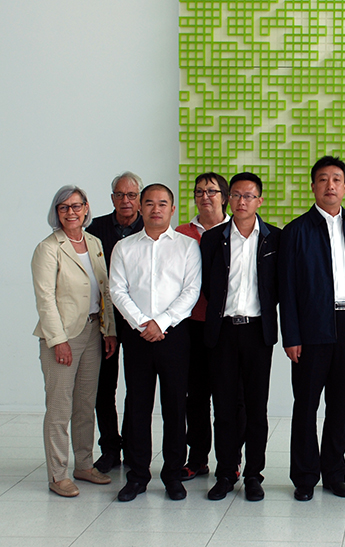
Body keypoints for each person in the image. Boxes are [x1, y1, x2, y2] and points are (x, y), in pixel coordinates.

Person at [279, 155, 345, 501]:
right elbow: (286, 290)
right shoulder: (296, 231)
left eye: (336, 180)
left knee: (340, 403)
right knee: (305, 404)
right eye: (323, 180)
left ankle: (334, 473)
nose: (330, 186)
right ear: (314, 186)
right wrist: (292, 335)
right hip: (310, 327)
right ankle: (304, 477)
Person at [109, 184, 201, 502]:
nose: (156, 209)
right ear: (140, 208)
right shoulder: (124, 247)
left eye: (163, 203)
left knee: (175, 407)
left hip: (174, 336)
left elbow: (191, 291)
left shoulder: (188, 247)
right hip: (136, 337)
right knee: (137, 406)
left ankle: (173, 475)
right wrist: (142, 323)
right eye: (149, 203)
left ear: (172, 209)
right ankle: (137, 475)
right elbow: (117, 290)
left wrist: (160, 323)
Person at [32, 186, 118, 497]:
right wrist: (58, 341)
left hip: (93, 332)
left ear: (86, 208)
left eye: (76, 206)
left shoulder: (94, 242)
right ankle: (58, 473)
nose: (71, 212)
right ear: (56, 212)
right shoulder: (49, 248)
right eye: (64, 207)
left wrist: (109, 330)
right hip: (63, 337)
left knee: (85, 404)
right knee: (59, 407)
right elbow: (45, 299)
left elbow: (105, 291)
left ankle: (83, 464)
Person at [200, 172, 280, 501]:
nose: (242, 202)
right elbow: (205, 284)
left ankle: (253, 474)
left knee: (256, 408)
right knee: (224, 407)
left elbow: (280, 288)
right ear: (227, 199)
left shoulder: (276, 238)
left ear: (260, 200)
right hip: (222, 331)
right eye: (236, 195)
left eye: (249, 196)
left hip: (257, 332)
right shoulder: (213, 238)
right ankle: (225, 471)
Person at [85, 171, 144, 473]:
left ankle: (133, 446)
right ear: (112, 199)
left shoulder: (151, 229)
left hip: (137, 321)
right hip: (103, 321)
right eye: (120, 195)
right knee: (103, 388)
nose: (126, 201)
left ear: (139, 198)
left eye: (132, 195)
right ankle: (110, 447)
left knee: (136, 388)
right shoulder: (94, 230)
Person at [175, 172, 230, 481]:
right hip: (191, 326)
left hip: (226, 327)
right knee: (195, 397)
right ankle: (197, 458)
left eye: (211, 191)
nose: (205, 196)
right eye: (199, 191)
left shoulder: (238, 229)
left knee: (230, 398)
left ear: (224, 196)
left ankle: (231, 460)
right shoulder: (182, 233)